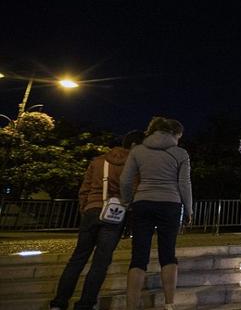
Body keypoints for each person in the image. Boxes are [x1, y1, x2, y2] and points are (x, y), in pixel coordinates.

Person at [50, 130, 145, 310]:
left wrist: (85, 209)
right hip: (114, 214)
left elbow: (84, 190)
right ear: (134, 146)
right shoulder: (134, 166)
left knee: (77, 258)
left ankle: (59, 302)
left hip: (91, 210)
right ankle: (85, 304)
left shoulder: (98, 161)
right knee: (101, 262)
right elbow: (134, 191)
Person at [121, 117, 192, 310]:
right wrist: (189, 209)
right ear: (171, 133)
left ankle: (131, 306)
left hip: (142, 202)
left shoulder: (138, 151)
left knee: (138, 257)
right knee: (168, 254)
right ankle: (169, 304)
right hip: (170, 204)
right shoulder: (181, 153)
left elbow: (126, 180)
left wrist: (127, 201)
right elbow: (184, 184)